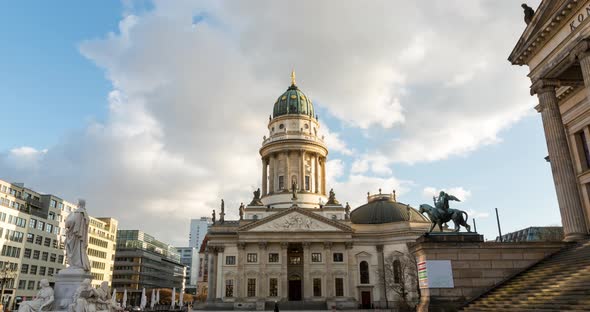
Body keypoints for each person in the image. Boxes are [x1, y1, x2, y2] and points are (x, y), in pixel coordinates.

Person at [65, 199, 91, 271]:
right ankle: (78, 264)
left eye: (77, 202)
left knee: (75, 250)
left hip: (75, 235)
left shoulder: (78, 212)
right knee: (78, 250)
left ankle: (76, 264)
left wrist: (67, 222)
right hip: (80, 236)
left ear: (79, 203)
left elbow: (71, 222)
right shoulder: (85, 214)